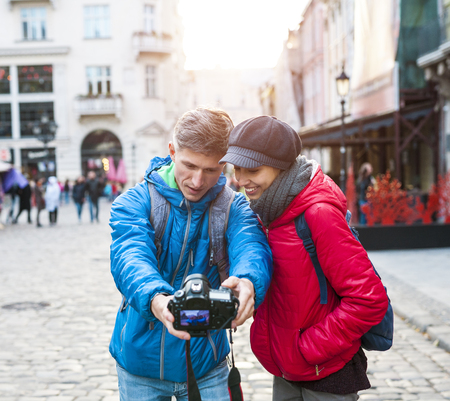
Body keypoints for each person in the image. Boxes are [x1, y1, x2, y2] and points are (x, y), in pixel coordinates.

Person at [220, 116, 389, 401]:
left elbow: (369, 299)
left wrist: (308, 347)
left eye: (252, 169)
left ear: (281, 167)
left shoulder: (317, 213)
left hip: (327, 372)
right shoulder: (269, 210)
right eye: (237, 168)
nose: (241, 179)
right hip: (286, 369)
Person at [109, 107, 273, 400]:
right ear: (172, 151)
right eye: (190, 166)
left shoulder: (234, 207)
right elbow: (129, 256)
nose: (198, 181)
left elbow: (251, 246)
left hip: (206, 363)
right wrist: (156, 300)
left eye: (211, 170)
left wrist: (249, 281)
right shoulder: (133, 203)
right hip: (140, 365)